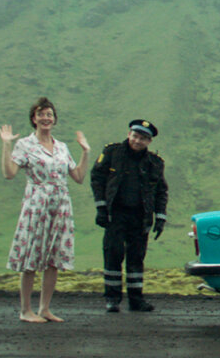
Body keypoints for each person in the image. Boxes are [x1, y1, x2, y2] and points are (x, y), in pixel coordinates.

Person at [0, 97, 91, 323]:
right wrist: (6, 144)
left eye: (49, 114)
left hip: (60, 205)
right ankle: (25, 310)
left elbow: (78, 177)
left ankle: (45, 308)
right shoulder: (26, 145)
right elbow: (9, 173)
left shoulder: (61, 147)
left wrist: (85, 152)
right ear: (34, 119)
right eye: (41, 114)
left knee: (54, 258)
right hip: (37, 205)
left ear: (54, 119)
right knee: (31, 256)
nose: (45, 118)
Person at [91, 119, 168, 313]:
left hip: (140, 216)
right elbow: (97, 179)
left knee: (136, 257)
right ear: (128, 134)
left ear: (149, 141)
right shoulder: (112, 153)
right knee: (113, 254)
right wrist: (101, 208)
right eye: (135, 136)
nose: (137, 141)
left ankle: (136, 300)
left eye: (143, 138)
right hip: (115, 214)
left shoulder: (155, 162)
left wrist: (160, 217)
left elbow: (160, 191)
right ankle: (112, 299)